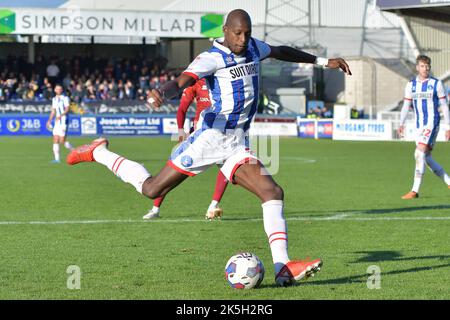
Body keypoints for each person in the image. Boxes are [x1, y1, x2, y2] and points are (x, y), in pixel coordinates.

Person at [66, 9, 351, 286]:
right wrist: (162, 93)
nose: (242, 39)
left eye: (247, 33)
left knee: (272, 191)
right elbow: (183, 80)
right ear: (225, 31)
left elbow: (281, 51)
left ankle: (283, 267)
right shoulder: (212, 58)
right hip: (209, 139)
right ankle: (98, 152)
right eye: (237, 33)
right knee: (152, 189)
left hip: (236, 141)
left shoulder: (253, 48)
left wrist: (325, 62)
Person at [143, 78, 229, 220]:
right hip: (199, 134)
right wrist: (181, 131)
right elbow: (182, 109)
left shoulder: (224, 80)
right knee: (174, 168)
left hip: (222, 133)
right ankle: (155, 208)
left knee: (226, 166)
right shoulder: (196, 83)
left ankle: (213, 205)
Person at [398, 55, 450, 199]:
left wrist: (448, 126)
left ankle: (414, 191)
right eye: (422, 66)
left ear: (430, 67)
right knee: (426, 158)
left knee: (419, 153)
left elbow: (444, 106)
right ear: (417, 67)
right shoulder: (411, 85)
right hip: (419, 125)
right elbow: (406, 105)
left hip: (432, 123)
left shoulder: (436, 84)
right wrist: (401, 123)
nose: (425, 68)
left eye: (427, 66)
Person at [46, 84, 73, 163]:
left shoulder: (65, 98)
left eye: (60, 89)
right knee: (55, 139)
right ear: (55, 90)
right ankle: (57, 159)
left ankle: (74, 150)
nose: (58, 90)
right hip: (57, 122)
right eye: (57, 88)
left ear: (61, 90)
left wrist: (61, 116)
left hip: (63, 121)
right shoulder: (54, 99)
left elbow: (68, 108)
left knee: (62, 141)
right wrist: (49, 120)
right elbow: (53, 111)